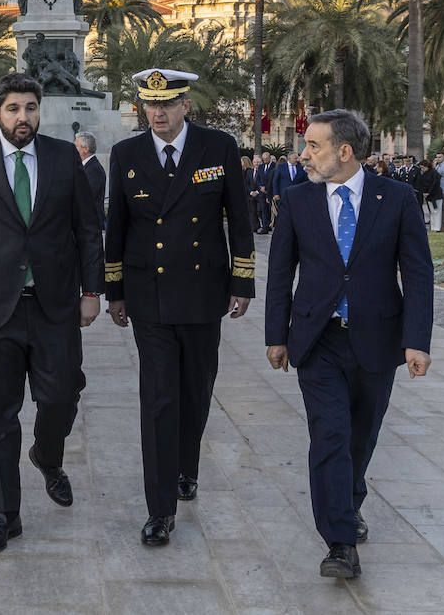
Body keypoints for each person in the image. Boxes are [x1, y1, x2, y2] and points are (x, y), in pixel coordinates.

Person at [0, 73, 104, 554]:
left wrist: (93, 291)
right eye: (13, 108)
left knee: (63, 394)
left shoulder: (63, 157)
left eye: (30, 108)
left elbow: (88, 231)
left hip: (54, 306)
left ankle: (47, 455)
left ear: (39, 111)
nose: (22, 117)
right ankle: (5, 515)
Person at [265, 109, 433, 579]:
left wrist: (417, 341)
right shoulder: (297, 200)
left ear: (344, 151)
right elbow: (281, 273)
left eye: (313, 146)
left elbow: (418, 273)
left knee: (361, 436)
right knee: (329, 435)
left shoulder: (396, 198)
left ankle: (349, 497)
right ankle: (339, 542)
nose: (304, 155)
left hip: (377, 340)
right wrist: (275, 335)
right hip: (317, 340)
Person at [105, 68, 254, 547]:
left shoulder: (218, 147)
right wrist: (116, 291)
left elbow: (239, 217)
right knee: (158, 399)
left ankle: (187, 465)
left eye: (166, 104)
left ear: (185, 104)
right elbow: (117, 227)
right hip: (150, 294)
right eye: (150, 105)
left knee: (196, 391)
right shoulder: (126, 154)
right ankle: (160, 508)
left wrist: (242, 281)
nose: (158, 113)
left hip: (203, 291)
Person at [75, 131, 107, 229]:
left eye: (76, 147)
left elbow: (87, 197)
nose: (74, 150)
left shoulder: (94, 169)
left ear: (86, 149)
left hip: (92, 224)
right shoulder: (86, 167)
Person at [255, 150, 276, 233]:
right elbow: (258, 178)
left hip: (270, 192)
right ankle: (265, 227)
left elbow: (273, 179)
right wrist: (261, 187)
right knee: (263, 210)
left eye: (266, 159)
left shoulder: (275, 166)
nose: (265, 161)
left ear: (270, 158)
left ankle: (271, 225)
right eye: (263, 159)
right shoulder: (261, 166)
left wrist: (267, 189)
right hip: (262, 192)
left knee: (271, 210)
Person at [242, 155, 261, 233]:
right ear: (252, 163)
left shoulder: (262, 171)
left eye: (258, 162)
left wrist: (257, 191)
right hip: (251, 195)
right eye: (255, 162)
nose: (256, 163)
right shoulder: (250, 172)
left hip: (259, 195)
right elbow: (247, 183)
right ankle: (254, 226)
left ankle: (263, 226)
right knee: (252, 211)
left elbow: (263, 182)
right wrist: (251, 192)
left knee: (260, 211)